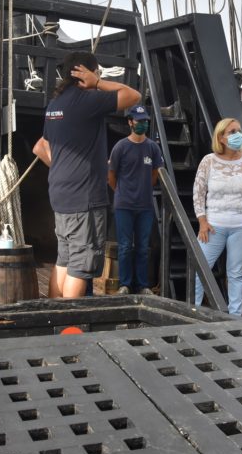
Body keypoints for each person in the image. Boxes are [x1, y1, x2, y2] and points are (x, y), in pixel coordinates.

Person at [32, 51, 141, 298]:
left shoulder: (54, 106)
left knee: (63, 261)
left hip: (60, 197)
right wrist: (98, 83)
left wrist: (68, 168)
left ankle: (53, 320)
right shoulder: (88, 100)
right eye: (97, 73)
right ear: (88, 74)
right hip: (84, 200)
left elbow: (40, 146)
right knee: (80, 268)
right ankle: (70, 328)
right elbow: (133, 96)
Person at [193, 118, 242, 315]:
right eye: (232, 131)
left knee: (235, 273)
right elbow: (198, 192)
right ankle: (194, 311)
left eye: (239, 130)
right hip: (213, 226)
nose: (238, 135)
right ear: (221, 138)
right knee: (200, 269)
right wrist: (202, 220)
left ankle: (234, 317)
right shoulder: (208, 161)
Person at [108, 105, 163, 295]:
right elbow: (111, 175)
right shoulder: (120, 147)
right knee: (124, 246)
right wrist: (122, 192)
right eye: (139, 121)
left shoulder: (152, 148)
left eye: (145, 121)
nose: (143, 124)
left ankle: (142, 285)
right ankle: (125, 284)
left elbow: (155, 174)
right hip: (124, 205)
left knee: (142, 247)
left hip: (145, 205)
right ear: (130, 122)